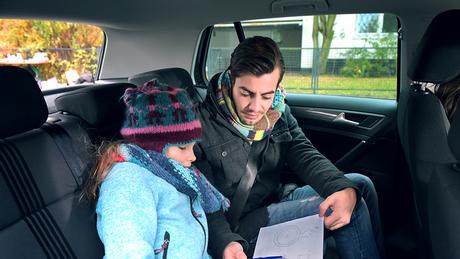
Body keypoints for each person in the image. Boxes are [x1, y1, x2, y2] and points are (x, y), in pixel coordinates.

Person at [193, 36, 384, 259]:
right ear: (231, 79)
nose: (255, 107)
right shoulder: (203, 124)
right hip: (242, 225)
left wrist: (339, 186)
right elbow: (202, 198)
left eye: (266, 95)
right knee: (351, 207)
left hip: (277, 198)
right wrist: (224, 242)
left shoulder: (277, 113)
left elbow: (304, 152)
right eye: (246, 93)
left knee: (358, 187)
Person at [85, 81, 229, 258]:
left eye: (193, 147)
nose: (193, 157)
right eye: (183, 147)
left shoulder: (175, 174)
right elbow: (129, 253)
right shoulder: (128, 181)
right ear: (153, 145)